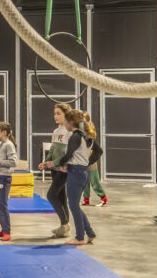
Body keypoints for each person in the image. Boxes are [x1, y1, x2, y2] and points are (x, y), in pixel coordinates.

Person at [43, 109, 102, 246]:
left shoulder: (75, 136)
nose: (65, 125)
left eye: (66, 122)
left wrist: (56, 163)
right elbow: (98, 151)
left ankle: (79, 237)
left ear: (70, 122)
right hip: (83, 172)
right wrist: (87, 162)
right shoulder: (87, 135)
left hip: (75, 173)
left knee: (74, 207)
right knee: (75, 206)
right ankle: (90, 233)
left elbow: (68, 155)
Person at [38, 103, 72, 238]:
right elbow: (52, 149)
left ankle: (65, 224)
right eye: (54, 114)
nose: (55, 116)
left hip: (63, 168)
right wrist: (46, 162)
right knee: (61, 198)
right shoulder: (56, 131)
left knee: (51, 195)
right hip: (54, 168)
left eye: (59, 113)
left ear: (66, 114)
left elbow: (67, 153)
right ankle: (65, 228)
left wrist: (58, 163)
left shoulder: (69, 131)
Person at [0, 121, 18, 241]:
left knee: (2, 204)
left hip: (4, 177)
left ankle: (7, 231)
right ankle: (3, 228)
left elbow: (13, 162)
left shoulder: (8, 145)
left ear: (4, 133)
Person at [81, 119, 108, 205]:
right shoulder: (80, 139)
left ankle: (103, 198)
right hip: (83, 164)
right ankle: (86, 199)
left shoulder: (90, 140)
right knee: (84, 183)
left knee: (94, 182)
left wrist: (90, 160)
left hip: (91, 165)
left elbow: (99, 151)